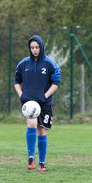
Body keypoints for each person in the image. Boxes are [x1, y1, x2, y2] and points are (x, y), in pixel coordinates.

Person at [14, 35, 61, 172]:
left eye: (37, 47)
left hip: (44, 103)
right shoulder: (23, 64)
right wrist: (21, 94)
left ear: (41, 47)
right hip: (29, 103)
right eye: (32, 47)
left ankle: (42, 162)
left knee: (41, 131)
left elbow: (56, 83)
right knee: (32, 124)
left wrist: (44, 96)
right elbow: (16, 81)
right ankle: (30, 159)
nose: (34, 50)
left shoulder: (50, 64)